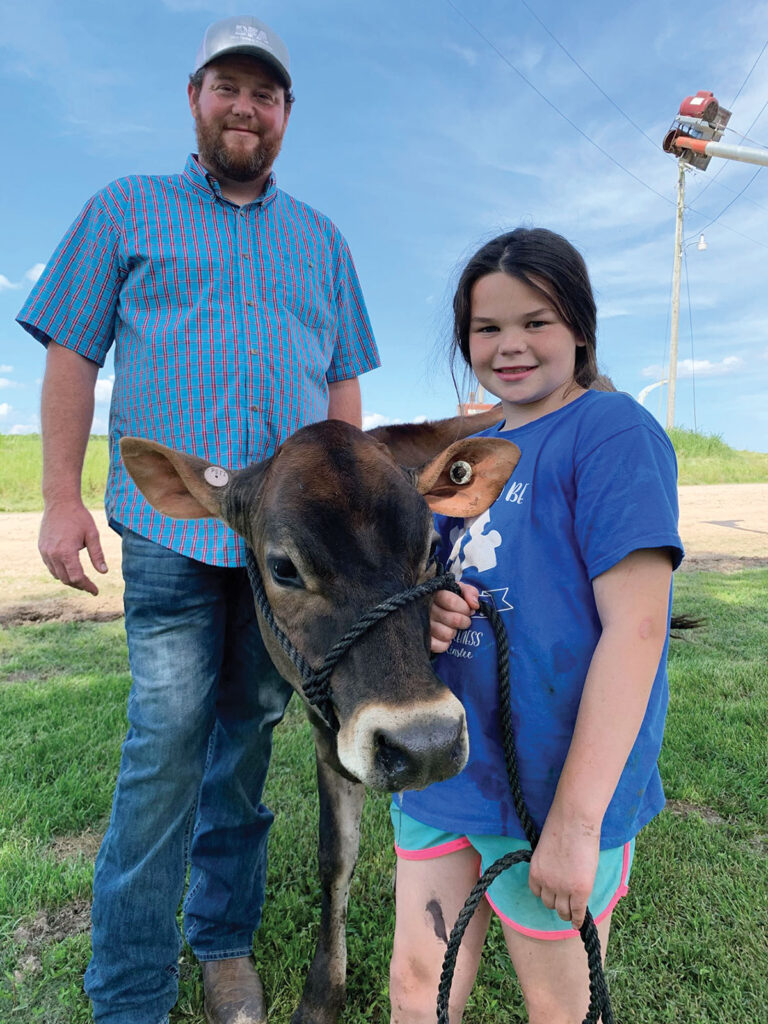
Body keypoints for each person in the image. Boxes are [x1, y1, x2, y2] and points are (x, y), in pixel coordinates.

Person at [17, 14, 379, 1024]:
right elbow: (71, 355)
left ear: (287, 115)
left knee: (250, 742)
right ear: (194, 98)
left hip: (291, 559)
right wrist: (58, 497)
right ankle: (129, 993)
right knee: (166, 748)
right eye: (229, 87)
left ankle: (222, 944)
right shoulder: (124, 211)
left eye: (266, 95)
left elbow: (342, 387)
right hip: (173, 534)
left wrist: (349, 525)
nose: (247, 108)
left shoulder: (323, 240)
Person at [388, 228, 683, 1024]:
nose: (510, 346)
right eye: (488, 329)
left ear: (579, 328)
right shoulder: (463, 455)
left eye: (536, 322)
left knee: (559, 1009)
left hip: (552, 790)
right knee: (418, 987)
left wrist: (575, 826)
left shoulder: (612, 432)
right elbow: (446, 578)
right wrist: (434, 611)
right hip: (447, 772)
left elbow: (638, 630)